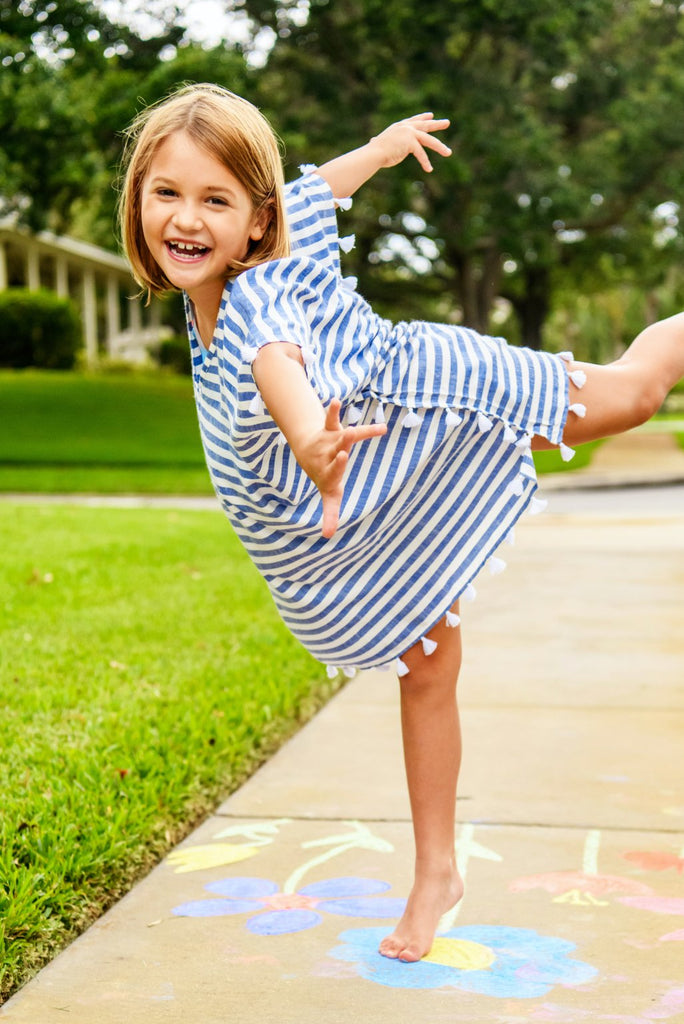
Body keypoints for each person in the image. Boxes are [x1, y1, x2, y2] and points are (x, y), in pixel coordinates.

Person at [119, 83, 684, 963]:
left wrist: (312, 439)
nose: (186, 219)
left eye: (214, 200)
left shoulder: (254, 302)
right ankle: (436, 874)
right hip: (381, 462)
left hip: (431, 394)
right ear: (139, 198)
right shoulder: (268, 229)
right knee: (425, 666)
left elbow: (280, 368)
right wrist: (381, 148)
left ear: (253, 224)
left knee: (634, 394)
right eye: (168, 193)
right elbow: (317, 188)